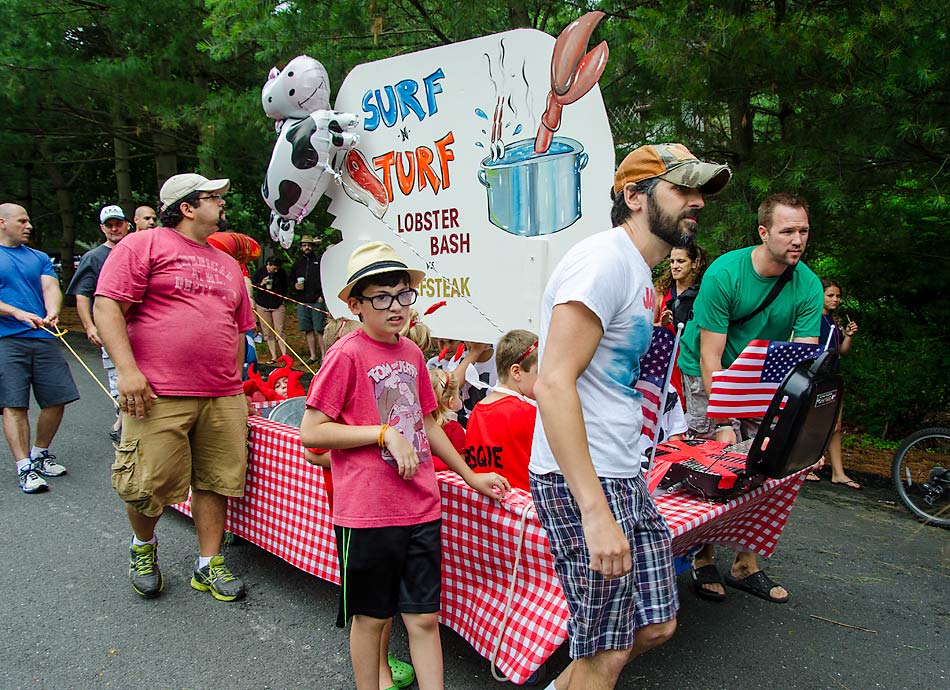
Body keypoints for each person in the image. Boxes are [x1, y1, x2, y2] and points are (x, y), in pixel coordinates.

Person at [529, 143, 731, 690]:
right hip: (583, 481)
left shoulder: (642, 271)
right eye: (683, 189)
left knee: (658, 626)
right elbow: (552, 383)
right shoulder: (604, 261)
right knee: (607, 652)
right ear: (635, 197)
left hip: (623, 471)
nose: (698, 203)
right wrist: (594, 512)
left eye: (700, 193)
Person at [299, 240, 509, 690]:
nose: (396, 306)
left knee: (425, 618)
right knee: (372, 620)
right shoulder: (346, 355)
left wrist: (471, 477)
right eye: (381, 297)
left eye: (402, 294)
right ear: (356, 305)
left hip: (421, 508)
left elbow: (427, 424)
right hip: (368, 513)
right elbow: (312, 432)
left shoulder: (412, 354)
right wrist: (382, 433)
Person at [94, 173, 255, 601]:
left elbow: (240, 330)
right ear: (186, 207)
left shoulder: (227, 263)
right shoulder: (143, 244)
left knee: (217, 480)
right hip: (158, 392)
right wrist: (127, 372)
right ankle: (143, 547)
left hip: (222, 395)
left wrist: (238, 384)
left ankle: (208, 564)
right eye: (213, 197)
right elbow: (107, 305)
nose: (222, 203)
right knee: (147, 484)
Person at [678, 192, 823, 605]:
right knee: (712, 462)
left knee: (765, 465)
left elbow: (804, 359)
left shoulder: (808, 284)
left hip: (765, 372)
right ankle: (702, 557)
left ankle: (745, 563)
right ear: (764, 232)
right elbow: (710, 356)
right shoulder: (727, 273)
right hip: (710, 365)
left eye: (804, 231)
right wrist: (724, 419)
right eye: (788, 231)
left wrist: (796, 421)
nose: (797, 239)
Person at [0, 203, 80, 493]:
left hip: (44, 338)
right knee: (14, 403)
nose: (28, 226)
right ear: (2, 222)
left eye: (29, 221)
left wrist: (52, 311)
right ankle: (24, 468)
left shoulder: (39, 257)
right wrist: (17, 312)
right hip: (7, 339)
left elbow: (49, 287)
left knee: (58, 398)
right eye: (22, 221)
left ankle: (39, 454)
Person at [66, 204, 132, 444]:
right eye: (109, 225)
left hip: (139, 327)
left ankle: (126, 424)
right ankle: (123, 424)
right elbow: (82, 294)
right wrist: (89, 326)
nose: (115, 228)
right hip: (111, 328)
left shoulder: (136, 251)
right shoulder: (94, 257)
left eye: (118, 223)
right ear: (102, 228)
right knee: (118, 378)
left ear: (127, 224)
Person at [463, 329, 539, 491]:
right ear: (516, 372)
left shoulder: (477, 409)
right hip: (523, 506)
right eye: (538, 372)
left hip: (486, 507)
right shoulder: (527, 412)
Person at [809, 278, 861, 489]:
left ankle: (838, 472)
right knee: (812, 422)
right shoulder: (814, 320)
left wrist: (848, 336)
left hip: (833, 377)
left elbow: (842, 352)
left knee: (836, 425)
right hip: (817, 378)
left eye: (838, 296)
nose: (835, 300)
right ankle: (807, 467)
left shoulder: (833, 323)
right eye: (830, 295)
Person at [654, 244, 707, 398]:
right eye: (672, 262)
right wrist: (661, 325)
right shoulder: (662, 291)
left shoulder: (704, 292)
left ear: (695, 263)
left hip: (692, 361)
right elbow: (646, 328)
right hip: (663, 360)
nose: (675, 266)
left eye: (681, 261)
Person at [290, 235, 326, 364]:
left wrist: (322, 295)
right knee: (307, 329)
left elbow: (325, 279)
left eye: (309, 245)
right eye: (304, 245)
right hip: (302, 300)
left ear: (313, 247)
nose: (307, 248)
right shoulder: (297, 263)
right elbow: (291, 281)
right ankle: (312, 356)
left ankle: (324, 356)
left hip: (317, 300)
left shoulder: (319, 261)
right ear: (301, 247)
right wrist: (295, 286)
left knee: (320, 329)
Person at [252, 256, 289, 363]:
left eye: (277, 268)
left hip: (277, 304)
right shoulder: (260, 271)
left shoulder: (281, 273)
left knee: (279, 330)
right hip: (262, 304)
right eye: (274, 268)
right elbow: (253, 286)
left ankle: (284, 355)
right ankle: (274, 357)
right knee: (267, 331)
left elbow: (285, 287)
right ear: (268, 264)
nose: (276, 270)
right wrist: (262, 284)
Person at [428, 367, 465, 471]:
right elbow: (461, 462)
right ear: (451, 401)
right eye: (459, 394)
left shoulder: (418, 427)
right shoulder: (454, 428)